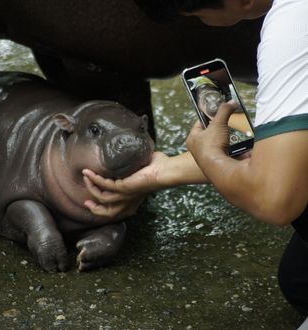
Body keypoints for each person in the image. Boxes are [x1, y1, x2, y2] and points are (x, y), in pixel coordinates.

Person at [81, 0, 308, 323]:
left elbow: (274, 199)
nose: (203, 22)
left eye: (200, 15)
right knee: (297, 276)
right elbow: (290, 151)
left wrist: (208, 154)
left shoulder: (291, 27)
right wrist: (163, 170)